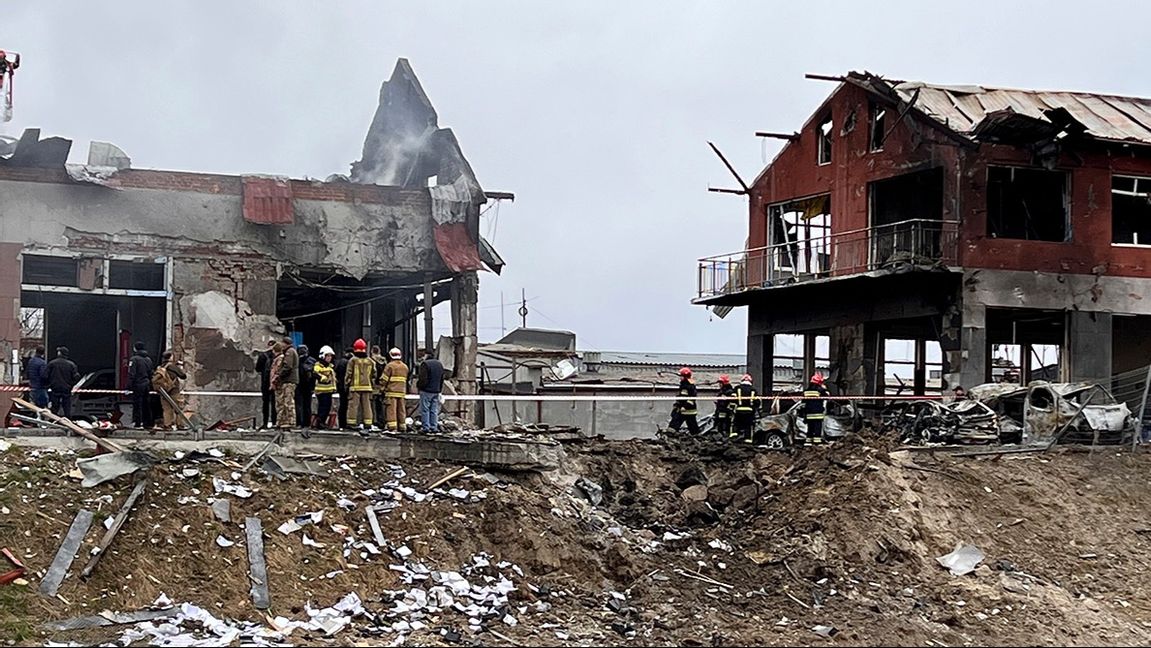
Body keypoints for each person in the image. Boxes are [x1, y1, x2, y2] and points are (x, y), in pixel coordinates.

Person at [345, 338, 378, 432]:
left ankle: (351, 423)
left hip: (354, 387)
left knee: (353, 406)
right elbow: (374, 374)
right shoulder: (370, 361)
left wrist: (346, 384)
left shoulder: (352, 360)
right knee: (367, 406)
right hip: (367, 387)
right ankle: (368, 423)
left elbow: (349, 374)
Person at [152, 351, 187, 430]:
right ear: (170, 357)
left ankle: (167, 425)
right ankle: (180, 424)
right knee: (178, 407)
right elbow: (183, 376)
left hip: (163, 391)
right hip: (173, 390)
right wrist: (180, 368)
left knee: (166, 409)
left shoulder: (160, 367)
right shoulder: (172, 366)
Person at [46, 346, 80, 418]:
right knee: (67, 406)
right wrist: (71, 384)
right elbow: (76, 377)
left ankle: (53, 420)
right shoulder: (71, 364)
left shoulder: (52, 363)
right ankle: (68, 421)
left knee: (55, 406)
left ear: (59, 353)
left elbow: (45, 375)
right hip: (66, 388)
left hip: (55, 388)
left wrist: (50, 384)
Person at [127, 342, 155, 429]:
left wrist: (128, 387)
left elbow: (132, 374)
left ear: (135, 348)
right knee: (146, 404)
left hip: (138, 384)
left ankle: (137, 422)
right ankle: (148, 423)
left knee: (137, 404)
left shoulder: (134, 359)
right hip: (146, 384)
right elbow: (151, 373)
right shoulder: (148, 359)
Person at [381, 347, 409, 432]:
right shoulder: (405, 367)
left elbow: (384, 379)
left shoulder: (389, 366)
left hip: (391, 392)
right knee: (401, 410)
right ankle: (402, 426)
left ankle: (392, 427)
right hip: (401, 392)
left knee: (391, 410)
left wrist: (382, 388)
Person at [417, 350, 445, 432]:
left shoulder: (425, 364)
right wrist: (439, 389)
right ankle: (434, 427)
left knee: (425, 409)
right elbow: (442, 378)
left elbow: (423, 378)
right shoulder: (439, 364)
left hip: (426, 390)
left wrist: (419, 386)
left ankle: (426, 427)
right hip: (436, 390)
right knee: (434, 410)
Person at [275, 337, 299, 431]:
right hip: (289, 380)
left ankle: (290, 422)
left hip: (289, 380)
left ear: (285, 343)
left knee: (288, 402)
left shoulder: (289, 352)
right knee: (285, 401)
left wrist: (279, 375)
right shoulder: (291, 351)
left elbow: (288, 366)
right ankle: (285, 422)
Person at [668, 367, 700, 435]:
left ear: (685, 376)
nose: (680, 378)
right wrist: (677, 405)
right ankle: (669, 435)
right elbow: (682, 397)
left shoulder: (689, 386)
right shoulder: (684, 385)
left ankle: (698, 439)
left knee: (692, 427)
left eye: (681, 376)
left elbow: (692, 398)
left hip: (688, 410)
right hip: (682, 409)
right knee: (674, 423)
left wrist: (685, 406)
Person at [313, 346, 337, 432]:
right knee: (322, 408)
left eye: (330, 356)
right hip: (321, 391)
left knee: (327, 408)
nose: (329, 358)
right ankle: (319, 422)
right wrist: (322, 377)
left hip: (329, 391)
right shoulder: (318, 366)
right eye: (328, 356)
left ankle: (322, 422)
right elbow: (315, 374)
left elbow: (333, 379)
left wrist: (334, 388)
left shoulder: (331, 367)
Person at [802, 373, 831, 445]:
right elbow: (827, 398)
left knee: (810, 428)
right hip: (817, 413)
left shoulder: (806, 391)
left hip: (809, 412)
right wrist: (825, 390)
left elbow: (803, 401)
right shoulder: (820, 390)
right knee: (817, 428)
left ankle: (808, 441)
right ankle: (817, 442)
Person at [254, 340, 276, 429]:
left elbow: (258, 368)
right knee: (275, 403)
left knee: (265, 404)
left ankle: (265, 423)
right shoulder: (279, 356)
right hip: (275, 383)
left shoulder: (263, 356)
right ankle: (274, 422)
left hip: (265, 382)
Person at [733, 374, 759, 443]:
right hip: (749, 411)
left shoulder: (737, 388)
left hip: (739, 410)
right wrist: (754, 409)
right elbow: (757, 402)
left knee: (736, 424)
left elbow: (732, 399)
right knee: (748, 426)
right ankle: (748, 440)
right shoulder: (753, 390)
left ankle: (734, 437)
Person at [296, 344, 316, 428]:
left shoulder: (297, 361)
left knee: (299, 405)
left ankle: (300, 423)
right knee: (307, 405)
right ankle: (306, 423)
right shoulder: (312, 361)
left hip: (299, 385)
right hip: (308, 386)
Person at [370, 344, 387, 426]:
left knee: (373, 404)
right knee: (381, 404)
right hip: (382, 386)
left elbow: (373, 374)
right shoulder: (384, 362)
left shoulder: (372, 361)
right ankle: (382, 421)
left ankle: (375, 420)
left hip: (374, 386)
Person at [714, 374, 735, 439]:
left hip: (725, 412)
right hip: (721, 411)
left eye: (720, 383)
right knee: (720, 424)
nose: (719, 385)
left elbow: (731, 402)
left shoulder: (729, 392)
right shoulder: (723, 391)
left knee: (724, 425)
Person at [335, 347, 352, 429]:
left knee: (342, 406)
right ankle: (345, 424)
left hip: (341, 387)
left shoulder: (341, 362)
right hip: (347, 387)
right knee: (346, 406)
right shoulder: (349, 362)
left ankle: (342, 424)